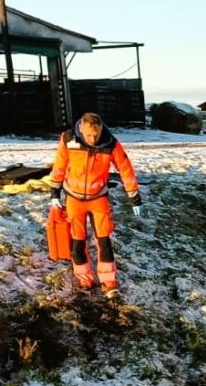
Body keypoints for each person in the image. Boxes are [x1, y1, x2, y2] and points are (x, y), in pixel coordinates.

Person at [48, 113, 142, 297]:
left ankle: (109, 281)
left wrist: (134, 196)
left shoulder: (111, 144)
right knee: (78, 241)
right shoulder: (68, 139)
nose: (93, 139)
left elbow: (125, 168)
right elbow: (59, 165)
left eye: (96, 134)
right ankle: (84, 278)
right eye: (89, 135)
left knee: (104, 240)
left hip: (98, 198)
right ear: (81, 128)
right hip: (74, 198)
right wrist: (54, 192)